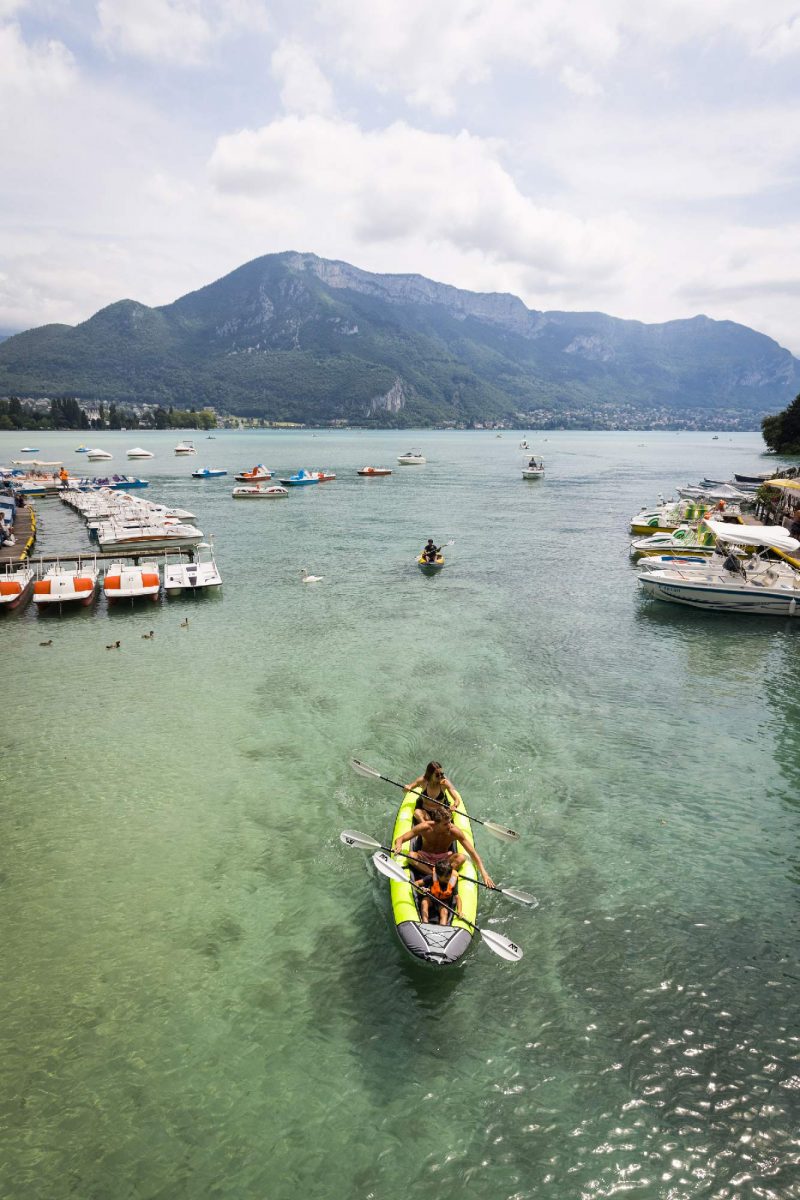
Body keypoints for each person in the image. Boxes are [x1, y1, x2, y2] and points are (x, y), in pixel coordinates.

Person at [394, 801, 494, 889]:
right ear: (436, 823)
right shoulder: (425, 827)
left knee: (461, 858)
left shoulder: (454, 831)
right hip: (425, 857)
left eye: (450, 822)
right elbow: (400, 839)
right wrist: (398, 846)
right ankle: (434, 875)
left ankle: (440, 875)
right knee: (411, 856)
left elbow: (472, 852)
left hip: (444, 861)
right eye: (445, 824)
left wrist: (484, 874)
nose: (449, 826)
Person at [418, 859, 463, 926]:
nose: (449, 878)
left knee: (444, 912)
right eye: (446, 877)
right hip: (431, 898)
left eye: (449, 876)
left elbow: (457, 897)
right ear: (438, 876)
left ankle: (442, 927)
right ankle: (425, 924)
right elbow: (416, 883)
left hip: (443, 902)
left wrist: (459, 911)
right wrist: (421, 889)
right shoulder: (431, 877)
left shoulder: (452, 880)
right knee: (424, 902)